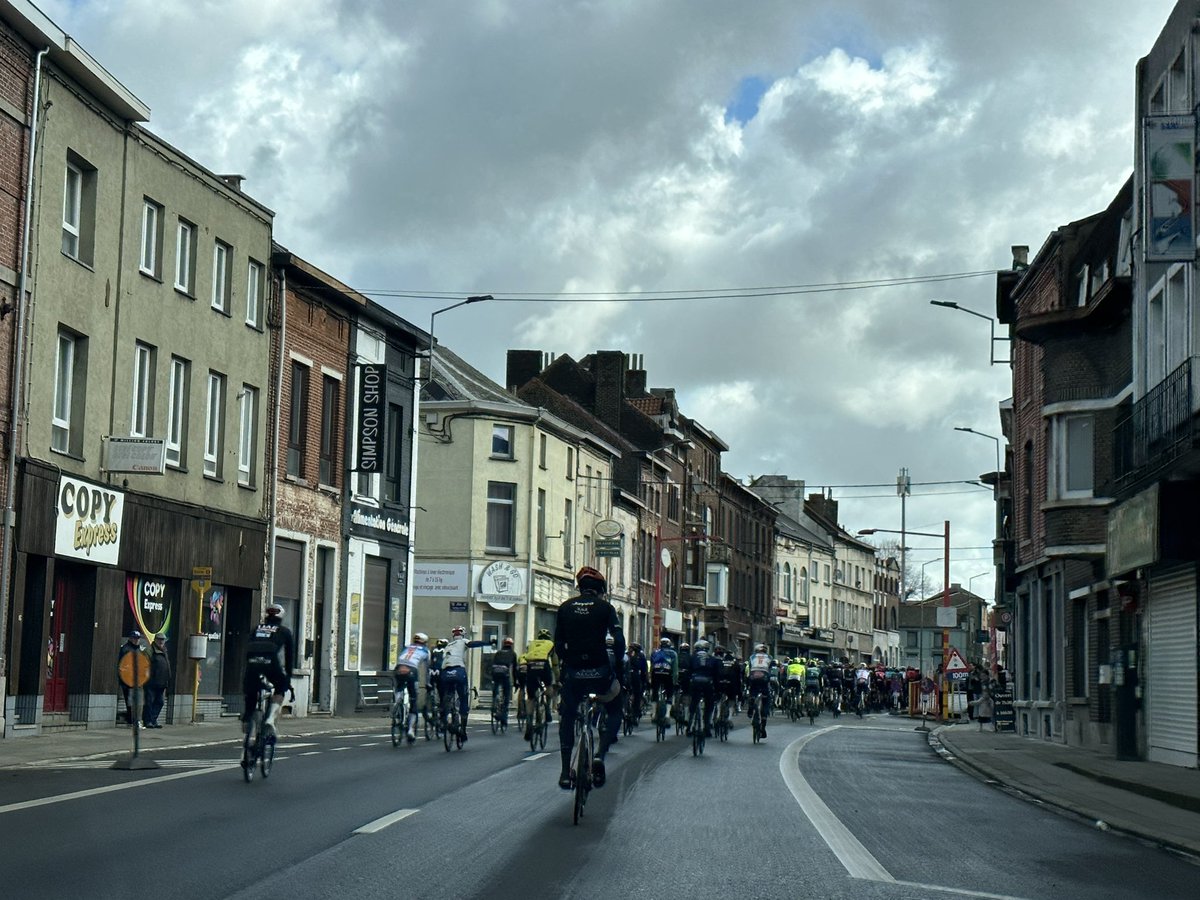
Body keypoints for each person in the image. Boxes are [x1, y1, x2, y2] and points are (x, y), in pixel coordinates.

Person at [555, 565, 624, 791]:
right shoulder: (606, 608)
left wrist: (568, 664)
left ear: (580, 587)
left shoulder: (565, 608)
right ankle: (599, 755)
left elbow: (558, 644)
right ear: (600, 590)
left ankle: (566, 772)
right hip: (600, 672)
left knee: (567, 714)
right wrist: (618, 671)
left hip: (574, 673)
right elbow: (619, 640)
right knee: (615, 708)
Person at [242, 603, 295, 738]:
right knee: (280, 687)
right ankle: (270, 720)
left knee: (251, 691)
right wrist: (288, 677)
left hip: (252, 662)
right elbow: (289, 657)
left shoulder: (256, 628)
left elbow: (247, 647)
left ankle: (247, 721)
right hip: (270, 662)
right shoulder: (284, 631)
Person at [439, 625, 492, 741]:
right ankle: (463, 730)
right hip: (458, 670)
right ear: (463, 634)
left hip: (445, 672)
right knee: (463, 697)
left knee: (447, 694)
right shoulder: (463, 641)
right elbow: (472, 644)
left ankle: (443, 719)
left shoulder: (447, 646)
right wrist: (487, 643)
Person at [393, 632, 431, 742]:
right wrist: (428, 683)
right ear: (425, 642)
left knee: (399, 687)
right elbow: (428, 669)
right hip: (412, 670)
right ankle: (410, 730)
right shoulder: (425, 651)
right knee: (413, 698)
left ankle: (397, 703)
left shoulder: (407, 647)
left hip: (399, 668)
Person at [524, 627, 558, 738]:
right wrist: (557, 679)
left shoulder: (532, 644)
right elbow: (555, 664)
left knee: (530, 697)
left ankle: (529, 720)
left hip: (531, 666)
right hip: (543, 665)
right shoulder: (551, 644)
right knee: (549, 687)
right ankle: (547, 710)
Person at [687, 639, 718, 736]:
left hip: (695, 681)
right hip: (707, 682)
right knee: (709, 704)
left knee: (693, 703)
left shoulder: (692, 658)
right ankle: (707, 727)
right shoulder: (712, 659)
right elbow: (716, 675)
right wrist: (716, 689)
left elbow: (688, 672)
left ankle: (690, 727)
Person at [142, 633, 172, 728]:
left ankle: (153, 720)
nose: (161, 641)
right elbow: (144, 665)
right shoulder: (150, 650)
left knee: (160, 702)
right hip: (151, 682)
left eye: (163, 640)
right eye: (159, 639)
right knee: (149, 702)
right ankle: (148, 721)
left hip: (162, 682)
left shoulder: (164, 651)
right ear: (155, 640)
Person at [117, 630, 145, 727]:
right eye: (134, 638)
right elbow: (124, 665)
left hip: (137, 680)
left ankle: (133, 720)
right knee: (131, 701)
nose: (136, 640)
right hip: (128, 680)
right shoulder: (126, 649)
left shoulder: (138, 649)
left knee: (135, 701)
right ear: (130, 638)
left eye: (138, 638)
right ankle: (133, 721)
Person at [744, 643, 772, 737]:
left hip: (753, 676)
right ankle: (763, 723)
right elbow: (771, 669)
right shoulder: (769, 657)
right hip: (764, 677)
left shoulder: (752, 657)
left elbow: (749, 668)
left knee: (753, 691)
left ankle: (751, 706)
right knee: (766, 698)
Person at [490, 637, 518, 727]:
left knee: (496, 685)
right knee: (506, 694)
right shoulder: (513, 654)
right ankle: (504, 719)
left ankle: (495, 701)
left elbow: (493, 663)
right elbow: (514, 670)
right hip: (504, 672)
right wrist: (515, 681)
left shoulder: (498, 652)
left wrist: (492, 677)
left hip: (495, 671)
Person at [649, 637, 678, 709]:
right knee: (669, 692)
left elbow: (652, 666)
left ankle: (654, 712)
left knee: (655, 691)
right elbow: (675, 668)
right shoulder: (673, 653)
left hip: (656, 674)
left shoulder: (655, 652)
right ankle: (667, 714)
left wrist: (650, 678)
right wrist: (675, 680)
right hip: (667, 674)